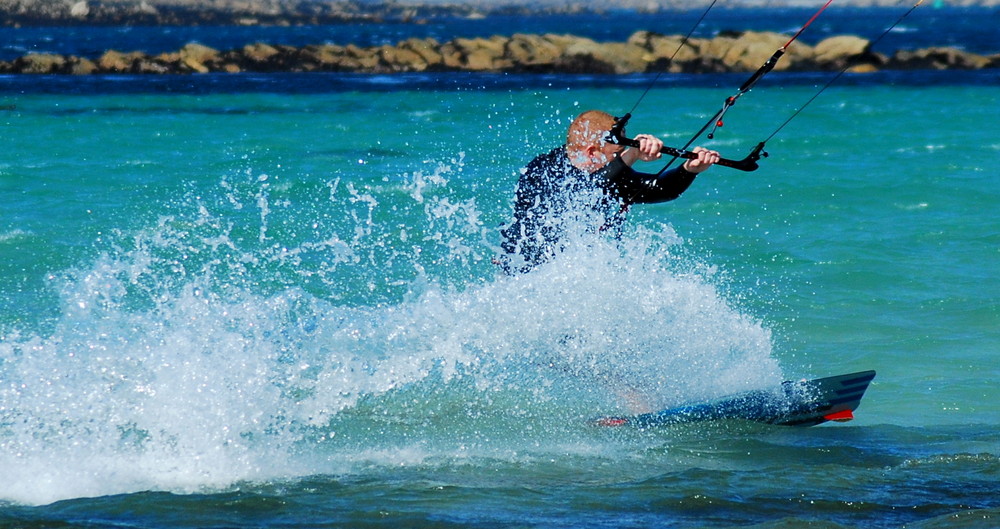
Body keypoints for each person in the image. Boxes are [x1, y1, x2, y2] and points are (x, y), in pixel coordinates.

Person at [498, 109, 720, 274]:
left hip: (573, 281)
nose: (620, 158)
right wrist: (631, 155)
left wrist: (689, 170)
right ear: (592, 152)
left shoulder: (605, 175)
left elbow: (658, 190)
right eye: (618, 153)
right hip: (529, 278)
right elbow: (586, 189)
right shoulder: (544, 170)